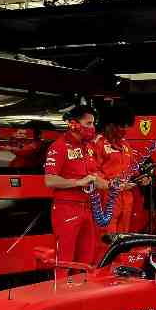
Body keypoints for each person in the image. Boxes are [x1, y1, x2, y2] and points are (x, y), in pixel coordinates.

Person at [44, 105, 107, 265]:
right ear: (73, 124)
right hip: (67, 208)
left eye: (93, 123)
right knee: (65, 259)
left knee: (86, 259)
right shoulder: (58, 147)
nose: (92, 127)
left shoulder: (89, 148)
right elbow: (49, 180)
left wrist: (112, 184)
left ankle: (82, 289)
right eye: (88, 123)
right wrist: (78, 182)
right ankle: (62, 290)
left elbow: (97, 177)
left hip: (89, 207)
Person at [94, 115, 144, 234]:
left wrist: (141, 178)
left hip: (126, 196)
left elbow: (133, 170)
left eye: (127, 126)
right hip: (106, 196)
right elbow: (93, 172)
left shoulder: (126, 145)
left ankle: (123, 253)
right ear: (110, 126)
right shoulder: (98, 143)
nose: (125, 130)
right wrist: (112, 184)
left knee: (123, 236)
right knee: (107, 236)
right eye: (121, 126)